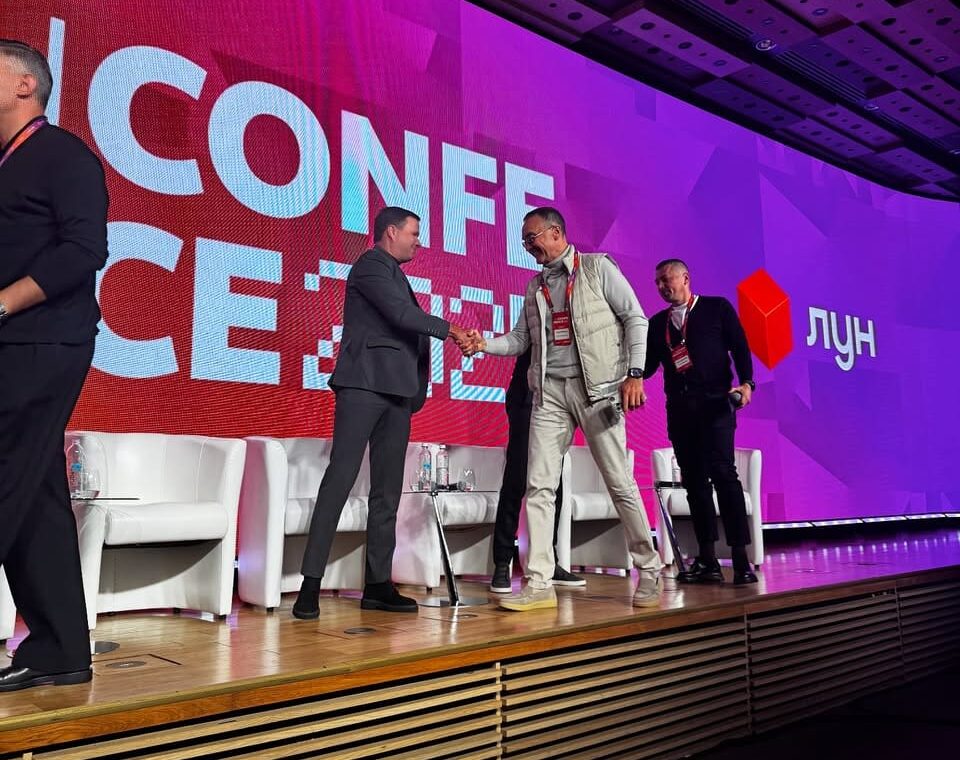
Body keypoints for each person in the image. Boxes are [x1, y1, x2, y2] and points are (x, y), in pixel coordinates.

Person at [463, 207, 662, 611]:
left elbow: (635, 318)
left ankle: (650, 567)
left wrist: (635, 373)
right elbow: (521, 340)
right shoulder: (534, 287)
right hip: (550, 393)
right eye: (524, 241)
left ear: (555, 233)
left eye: (531, 238)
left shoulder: (598, 268)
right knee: (539, 486)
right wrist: (485, 345)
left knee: (619, 482)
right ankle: (539, 582)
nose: (527, 247)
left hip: (599, 391)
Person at [293, 206, 471, 618]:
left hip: (397, 395)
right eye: (414, 233)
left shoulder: (396, 274)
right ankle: (310, 585)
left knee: (387, 493)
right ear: (391, 232)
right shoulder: (371, 265)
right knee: (339, 480)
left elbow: (405, 325)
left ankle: (377, 585)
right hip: (364, 387)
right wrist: (452, 330)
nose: (418, 242)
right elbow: (400, 315)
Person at [0, 39, 108, 691]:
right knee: (37, 494)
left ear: (24, 86)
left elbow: (84, 249)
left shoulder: (64, 155)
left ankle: (58, 646)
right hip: (12, 343)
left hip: (45, 343)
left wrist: (3, 303)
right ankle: (60, 649)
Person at [642, 259, 758, 585]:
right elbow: (648, 367)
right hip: (681, 411)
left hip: (717, 406)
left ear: (685, 278)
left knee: (724, 475)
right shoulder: (657, 324)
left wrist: (747, 383)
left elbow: (740, 348)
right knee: (694, 483)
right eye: (657, 282)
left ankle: (741, 559)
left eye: (667, 279)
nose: (662, 286)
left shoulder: (716, 308)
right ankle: (707, 560)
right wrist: (629, 370)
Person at [490, 347, 584, 593]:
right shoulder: (534, 318)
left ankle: (549, 561)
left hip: (560, 400)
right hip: (527, 398)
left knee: (554, 483)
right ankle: (502, 562)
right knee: (516, 480)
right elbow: (520, 342)